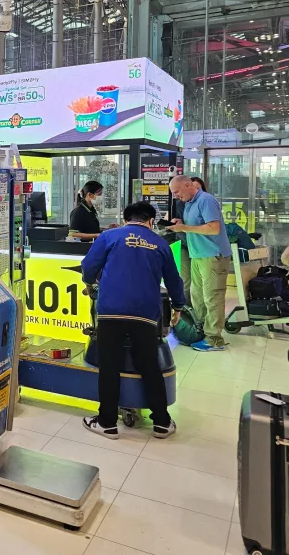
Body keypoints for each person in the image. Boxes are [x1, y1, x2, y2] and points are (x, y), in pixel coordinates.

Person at [80, 201, 185, 439]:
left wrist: (89, 282)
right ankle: (161, 422)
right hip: (145, 313)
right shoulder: (160, 243)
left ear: (126, 218)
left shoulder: (110, 236)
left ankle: (107, 422)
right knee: (150, 366)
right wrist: (178, 306)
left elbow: (88, 266)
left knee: (109, 366)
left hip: (111, 311)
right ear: (150, 221)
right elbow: (174, 280)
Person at [169, 175, 233, 351]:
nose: (176, 196)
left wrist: (185, 228)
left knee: (212, 297)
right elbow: (195, 225)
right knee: (197, 296)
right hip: (197, 255)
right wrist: (180, 223)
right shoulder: (189, 203)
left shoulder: (206, 200)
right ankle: (203, 331)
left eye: (177, 192)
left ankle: (214, 340)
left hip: (213, 256)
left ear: (188, 185)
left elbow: (214, 228)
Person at [169, 177, 206, 307]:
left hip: (201, 248)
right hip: (185, 245)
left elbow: (213, 227)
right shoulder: (181, 205)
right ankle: (186, 311)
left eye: (198, 188)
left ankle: (198, 312)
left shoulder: (206, 202)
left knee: (201, 284)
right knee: (186, 281)